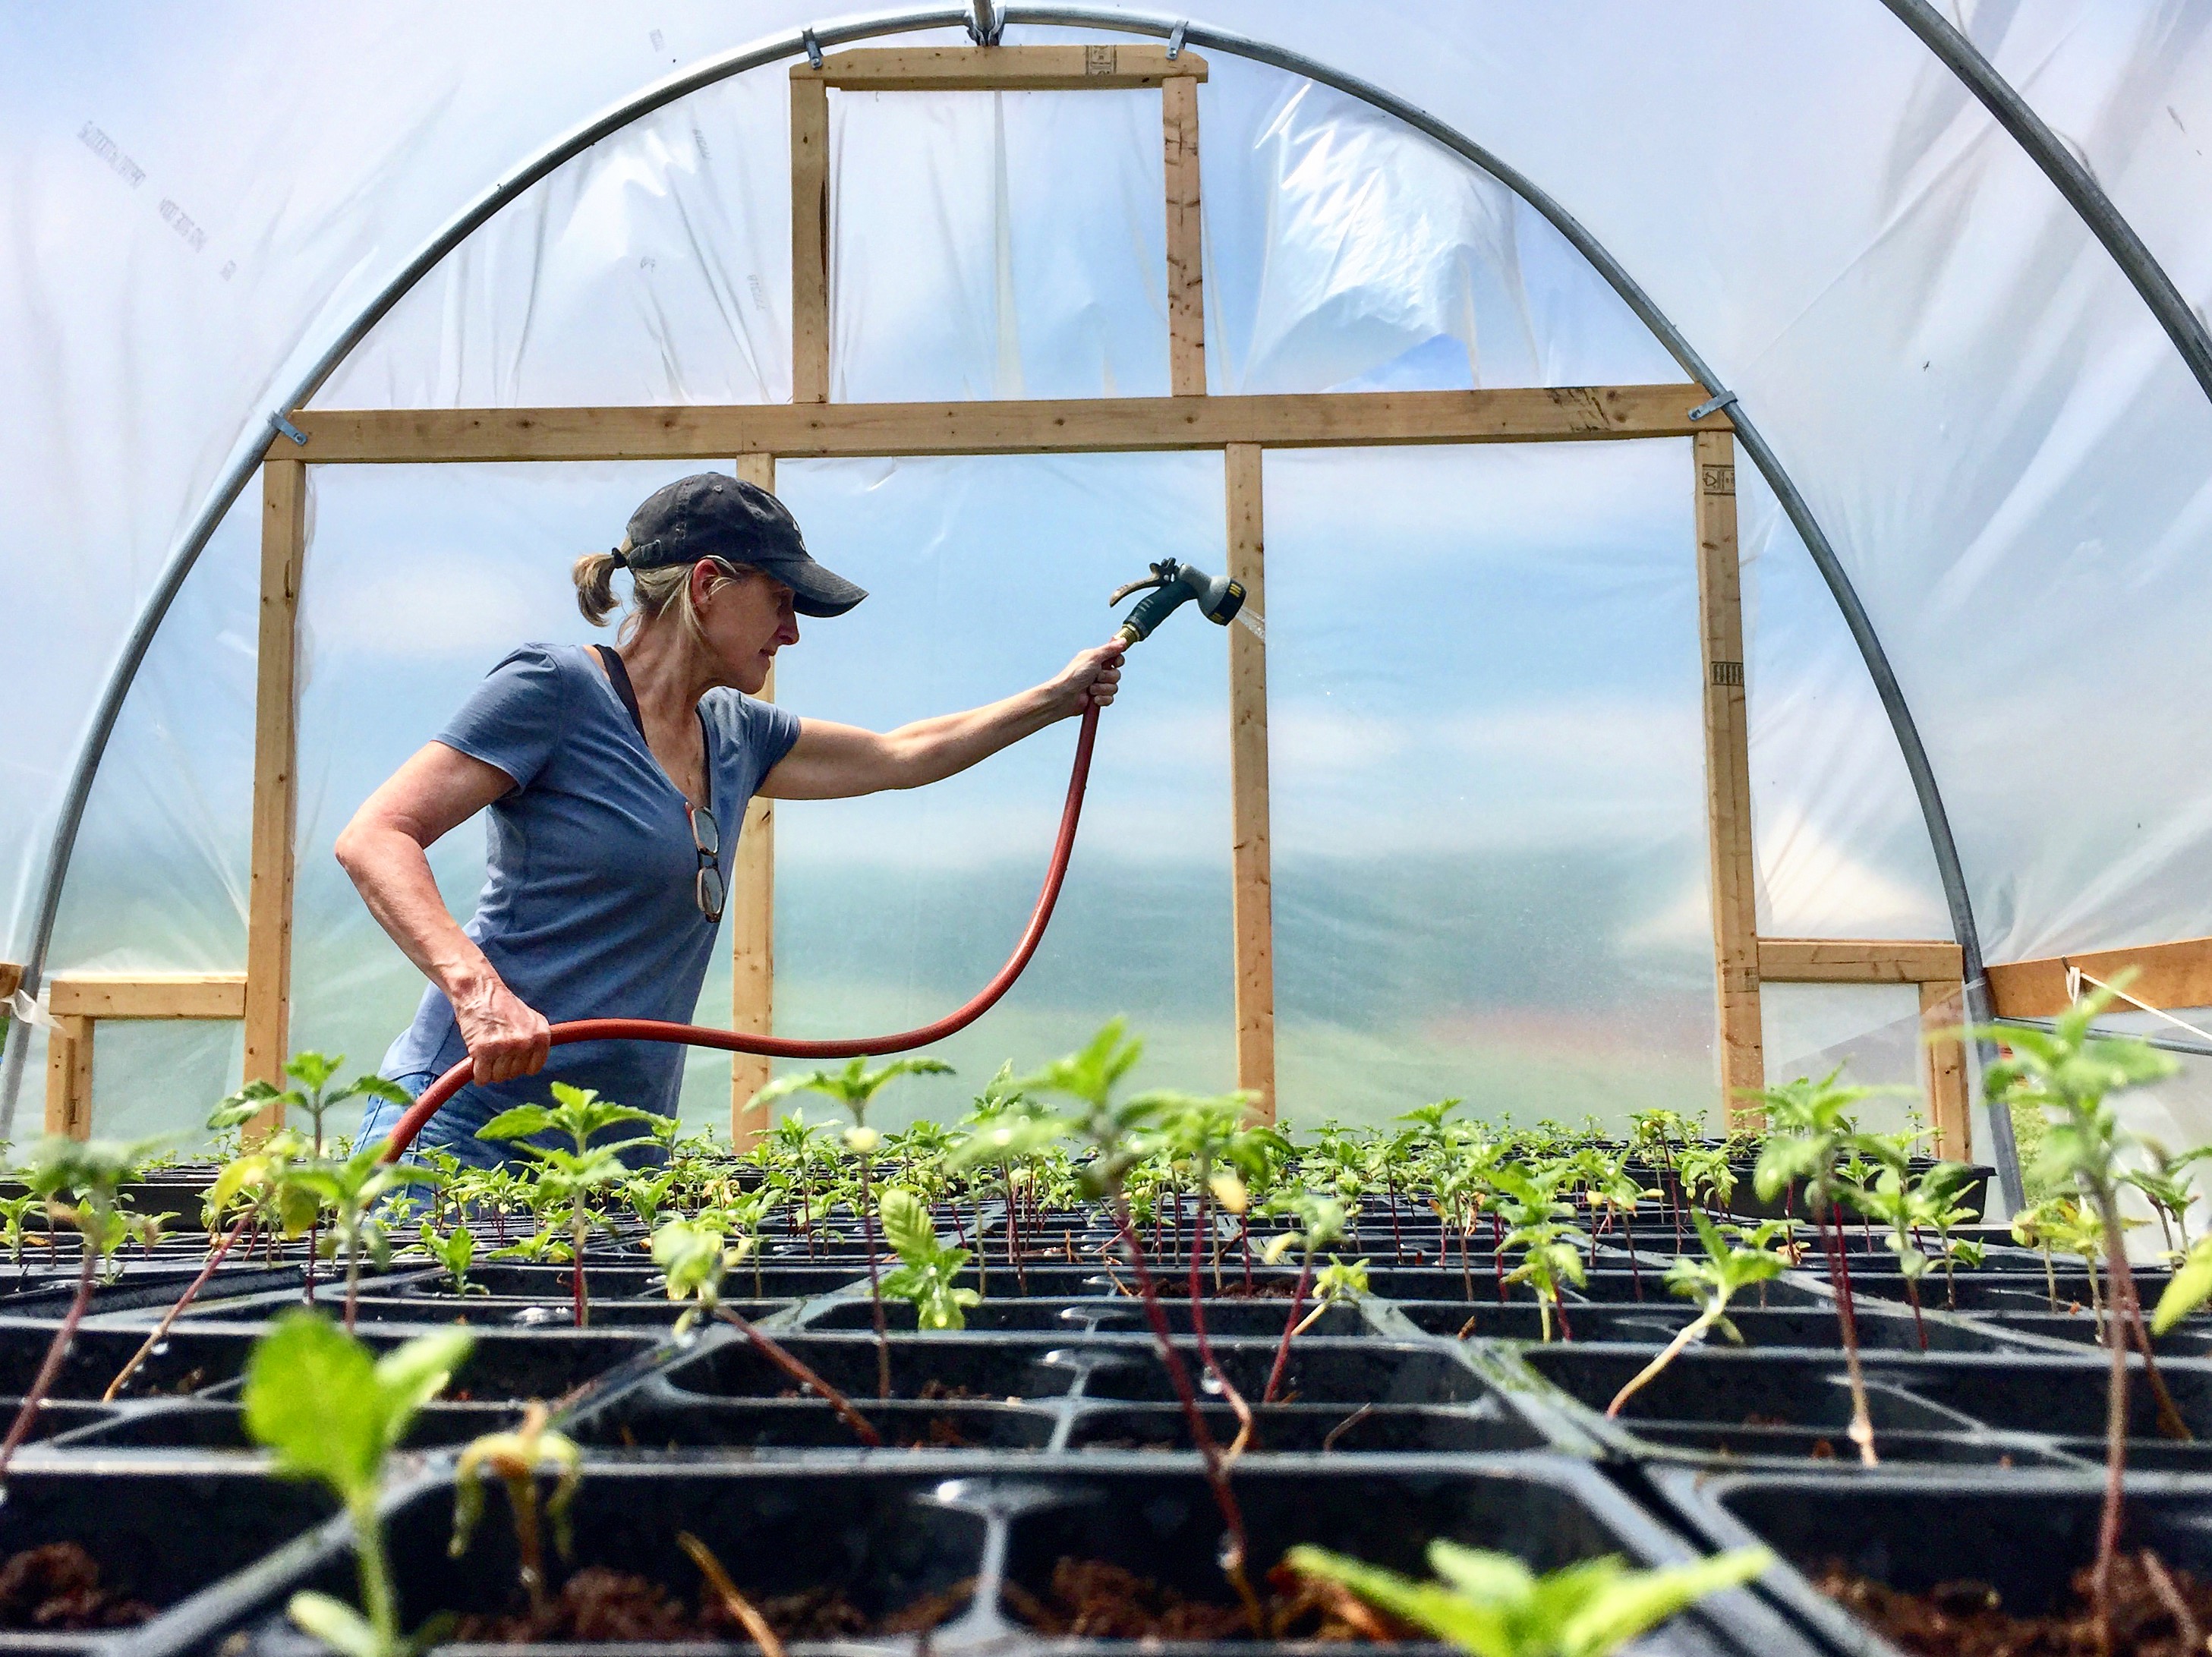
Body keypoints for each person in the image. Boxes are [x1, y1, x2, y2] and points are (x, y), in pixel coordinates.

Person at [340, 471, 1123, 1166]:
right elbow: (376, 835)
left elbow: (900, 753)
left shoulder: (738, 734)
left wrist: (1055, 698)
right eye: (781, 601)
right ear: (709, 584)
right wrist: (478, 991)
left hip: (614, 1152)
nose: (792, 631)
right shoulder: (555, 690)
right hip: (464, 1126)